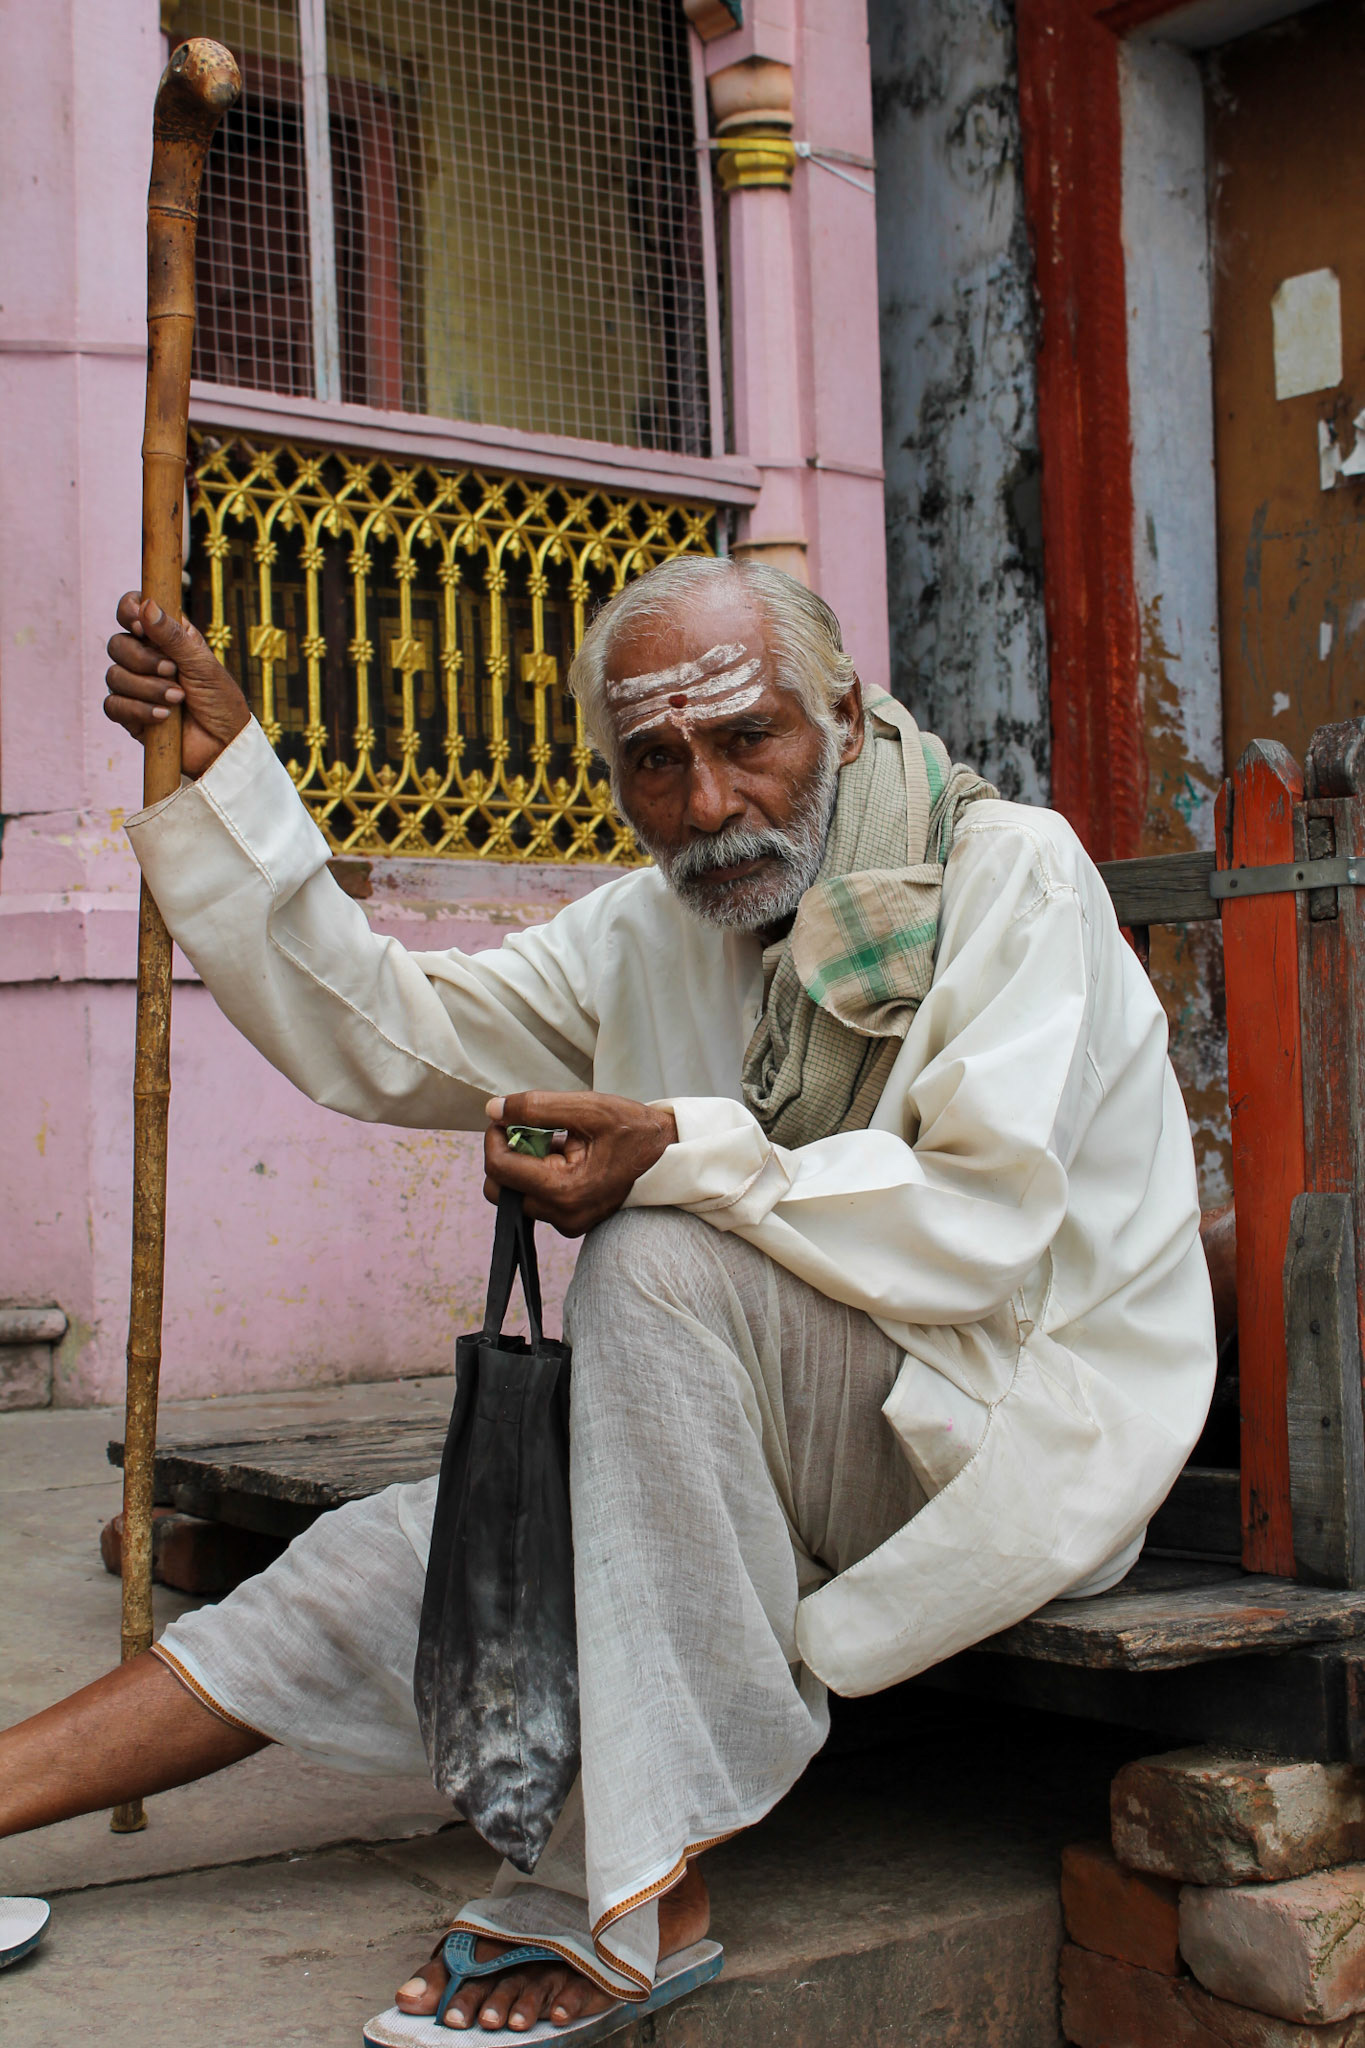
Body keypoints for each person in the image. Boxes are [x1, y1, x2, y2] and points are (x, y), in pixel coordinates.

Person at [0, 557, 1215, 2034]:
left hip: (990, 1442)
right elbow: (398, 1034)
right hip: (739, 1443)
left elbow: (976, 1223)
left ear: (838, 710)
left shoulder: (1007, 872)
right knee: (402, 1558)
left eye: (746, 741)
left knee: (654, 1250)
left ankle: (636, 1878)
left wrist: (679, 1151)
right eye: (656, 763)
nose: (707, 806)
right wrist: (232, 781)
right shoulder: (651, 923)